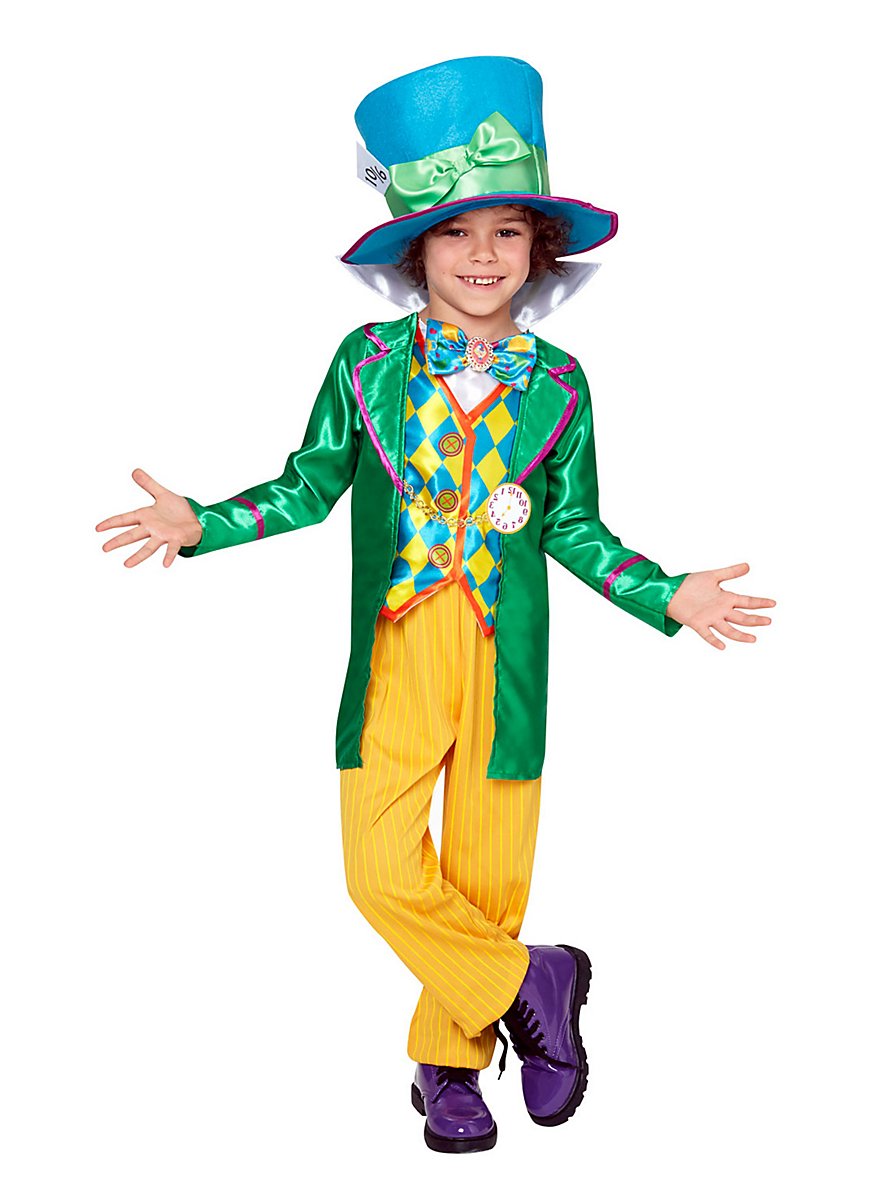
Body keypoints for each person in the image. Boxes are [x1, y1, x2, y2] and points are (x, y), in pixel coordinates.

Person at [95, 56, 776, 1154]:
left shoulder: (562, 382)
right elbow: (310, 484)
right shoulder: (367, 363)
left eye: (506, 231)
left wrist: (665, 594)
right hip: (398, 645)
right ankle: (530, 980)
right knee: (377, 869)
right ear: (417, 250)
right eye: (456, 232)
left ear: (538, 249)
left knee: (484, 869)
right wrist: (203, 523)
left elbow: (572, 526)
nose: (481, 254)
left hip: (506, 657)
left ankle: (448, 1064)